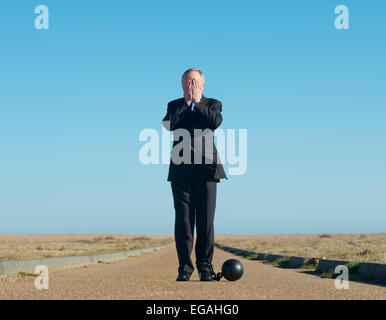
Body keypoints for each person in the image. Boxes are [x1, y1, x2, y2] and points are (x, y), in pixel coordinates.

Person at [162, 68, 227, 281]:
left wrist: (197, 102)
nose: (191, 85)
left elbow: (214, 122)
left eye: (195, 81)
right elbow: (168, 125)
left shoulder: (213, 104)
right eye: (188, 82)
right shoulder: (174, 106)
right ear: (182, 85)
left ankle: (205, 268)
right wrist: (187, 103)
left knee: (206, 222)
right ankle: (185, 269)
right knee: (184, 222)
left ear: (203, 85)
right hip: (181, 172)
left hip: (207, 171)